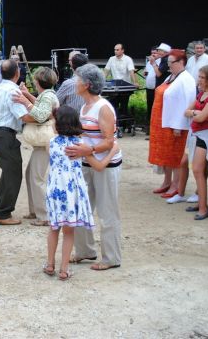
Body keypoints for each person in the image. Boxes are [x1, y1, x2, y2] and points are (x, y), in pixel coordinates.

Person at [44, 106, 119, 280]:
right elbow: (99, 167)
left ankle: (49, 264)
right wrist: (113, 151)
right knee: (69, 232)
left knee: (54, 228)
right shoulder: (80, 146)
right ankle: (64, 269)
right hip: (71, 192)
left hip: (55, 191)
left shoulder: (52, 142)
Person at [64, 64, 122, 271]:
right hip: (87, 162)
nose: (75, 82)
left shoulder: (103, 107)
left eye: (77, 79)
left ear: (87, 84)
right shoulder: (85, 106)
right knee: (82, 207)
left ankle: (111, 257)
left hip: (105, 165)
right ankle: (85, 250)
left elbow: (110, 141)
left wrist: (87, 150)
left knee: (107, 211)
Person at [13, 67, 60, 226]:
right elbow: (43, 109)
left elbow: (40, 115)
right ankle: (35, 211)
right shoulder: (48, 95)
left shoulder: (47, 96)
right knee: (31, 174)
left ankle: (44, 215)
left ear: (39, 82)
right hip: (43, 142)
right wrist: (27, 95)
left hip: (45, 141)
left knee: (37, 177)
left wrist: (25, 101)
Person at [148, 50, 196, 202]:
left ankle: (176, 185)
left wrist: (180, 125)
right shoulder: (172, 76)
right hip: (162, 122)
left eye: (171, 63)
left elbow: (188, 103)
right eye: (167, 62)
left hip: (175, 125)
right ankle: (167, 181)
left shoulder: (186, 79)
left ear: (181, 62)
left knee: (175, 156)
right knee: (165, 155)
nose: (168, 65)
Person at [0, 59, 30, 225]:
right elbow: (24, 116)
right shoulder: (13, 91)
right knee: (13, 172)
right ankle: (3, 214)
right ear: (17, 73)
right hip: (4, 134)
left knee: (8, 170)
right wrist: (44, 115)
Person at [183, 66, 208, 219]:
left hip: (206, 135)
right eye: (199, 76)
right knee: (200, 171)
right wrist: (196, 113)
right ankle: (201, 202)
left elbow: (199, 117)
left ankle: (203, 207)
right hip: (197, 133)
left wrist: (195, 114)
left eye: (202, 77)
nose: (199, 79)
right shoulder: (202, 94)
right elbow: (188, 112)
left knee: (198, 170)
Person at [104, 43, 137, 126]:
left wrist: (135, 82)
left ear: (122, 50)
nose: (115, 51)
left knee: (123, 106)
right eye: (115, 50)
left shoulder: (128, 59)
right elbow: (106, 71)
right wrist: (101, 81)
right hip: (114, 86)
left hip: (125, 87)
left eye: (117, 50)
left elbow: (131, 71)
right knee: (112, 105)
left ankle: (123, 125)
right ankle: (114, 124)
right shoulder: (111, 59)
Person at [143, 46, 159, 137]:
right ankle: (149, 128)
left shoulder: (159, 63)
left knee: (155, 109)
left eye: (155, 53)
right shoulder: (149, 62)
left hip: (155, 89)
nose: (153, 54)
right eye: (152, 53)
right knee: (149, 108)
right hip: (148, 88)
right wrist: (144, 73)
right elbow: (146, 72)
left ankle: (154, 129)